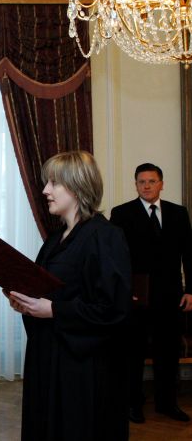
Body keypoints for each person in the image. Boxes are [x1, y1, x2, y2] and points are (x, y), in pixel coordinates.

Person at [7, 150, 132, 441]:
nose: (45, 190)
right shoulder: (54, 239)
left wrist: (53, 310)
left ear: (77, 187)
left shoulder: (105, 236)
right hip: (48, 359)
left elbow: (114, 310)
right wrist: (25, 303)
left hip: (83, 370)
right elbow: (45, 292)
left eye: (54, 183)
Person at [110, 162, 192, 423]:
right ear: (136, 185)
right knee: (133, 352)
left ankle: (167, 404)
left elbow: (189, 254)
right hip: (136, 296)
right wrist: (122, 291)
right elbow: (115, 257)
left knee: (167, 352)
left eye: (151, 181)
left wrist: (191, 290)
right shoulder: (121, 213)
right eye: (141, 182)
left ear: (161, 184)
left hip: (171, 296)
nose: (146, 186)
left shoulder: (179, 213)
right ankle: (133, 404)